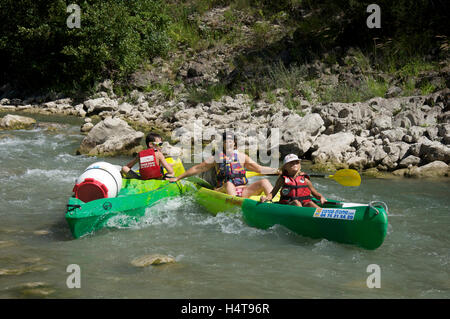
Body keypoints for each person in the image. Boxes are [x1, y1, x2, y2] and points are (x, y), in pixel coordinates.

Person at [168, 131, 279, 198]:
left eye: (230, 141)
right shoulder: (216, 158)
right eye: (226, 142)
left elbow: (259, 169)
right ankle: (235, 205)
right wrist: (178, 177)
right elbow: (198, 168)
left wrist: (278, 171)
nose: (228, 143)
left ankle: (274, 203)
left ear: (234, 143)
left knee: (264, 181)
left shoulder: (242, 157)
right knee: (229, 184)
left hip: (243, 189)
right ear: (223, 144)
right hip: (223, 190)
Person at [260, 154, 326, 207]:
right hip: (288, 205)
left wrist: (321, 197)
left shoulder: (304, 178)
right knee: (296, 202)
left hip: (304, 203)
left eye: (296, 162)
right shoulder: (282, 179)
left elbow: (314, 192)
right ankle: (301, 218)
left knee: (310, 203)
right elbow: (273, 193)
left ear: (299, 165)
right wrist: (266, 198)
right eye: (291, 163)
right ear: (285, 166)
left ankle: (322, 217)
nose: (294, 164)